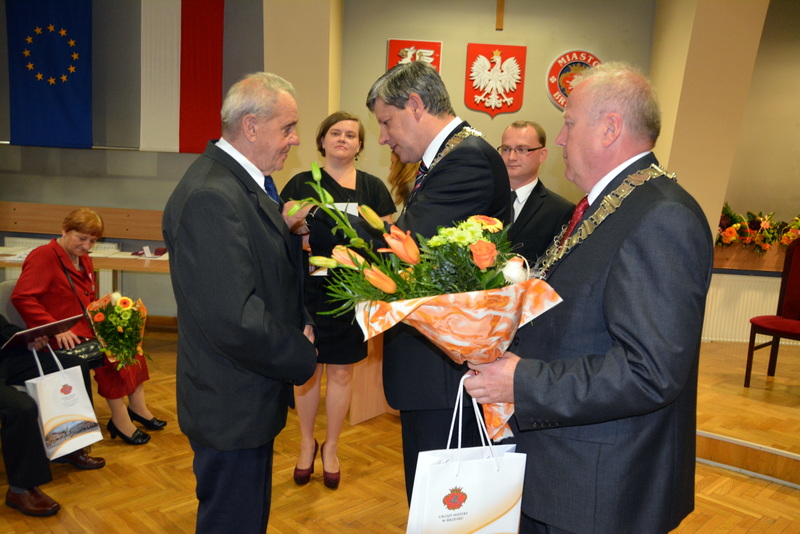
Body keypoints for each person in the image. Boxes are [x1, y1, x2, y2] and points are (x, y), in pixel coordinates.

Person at [463, 62, 713, 533]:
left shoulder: (662, 216)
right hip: (566, 470)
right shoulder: (612, 203)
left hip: (600, 488)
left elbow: (650, 370)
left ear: (610, 128)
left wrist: (522, 381)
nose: (559, 139)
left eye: (569, 123)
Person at [162, 71, 317, 533]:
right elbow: (233, 318)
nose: (295, 139)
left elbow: (263, 273)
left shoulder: (243, 184)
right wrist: (300, 351)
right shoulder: (211, 195)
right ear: (251, 126)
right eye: (288, 127)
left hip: (247, 395)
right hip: (230, 404)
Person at [365, 60, 510, 502]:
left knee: (447, 509)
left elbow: (407, 245)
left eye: (386, 122)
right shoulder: (451, 157)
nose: (383, 137)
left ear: (415, 104)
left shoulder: (467, 159)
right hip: (438, 371)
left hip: (446, 375)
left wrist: (329, 226)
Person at [281, 111, 395, 490]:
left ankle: (331, 446)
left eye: (351, 134)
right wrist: (305, 217)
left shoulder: (373, 187)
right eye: (335, 133)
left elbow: (387, 238)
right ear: (322, 140)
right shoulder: (301, 182)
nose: (343, 139)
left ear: (360, 144)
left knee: (342, 372)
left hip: (351, 292)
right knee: (308, 370)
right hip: (307, 291)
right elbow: (285, 224)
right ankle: (305, 443)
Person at [12, 208, 163, 447]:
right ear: (64, 230)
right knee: (109, 354)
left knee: (128, 340)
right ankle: (120, 419)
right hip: (60, 334)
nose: (87, 246)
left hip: (84, 326)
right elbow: (22, 297)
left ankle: (137, 407)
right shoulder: (44, 256)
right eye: (82, 238)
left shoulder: (83, 258)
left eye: (92, 241)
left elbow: (86, 297)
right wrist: (54, 328)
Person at [1, 314, 105, 517]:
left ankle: (68, 445)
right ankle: (21, 489)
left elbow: (2, 328)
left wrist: (27, 340)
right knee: (21, 407)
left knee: (74, 365)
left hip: (5, 359)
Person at [500, 120, 575, 262]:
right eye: (506, 149)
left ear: (542, 155)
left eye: (522, 149)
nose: (511, 157)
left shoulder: (560, 211)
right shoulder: (482, 199)